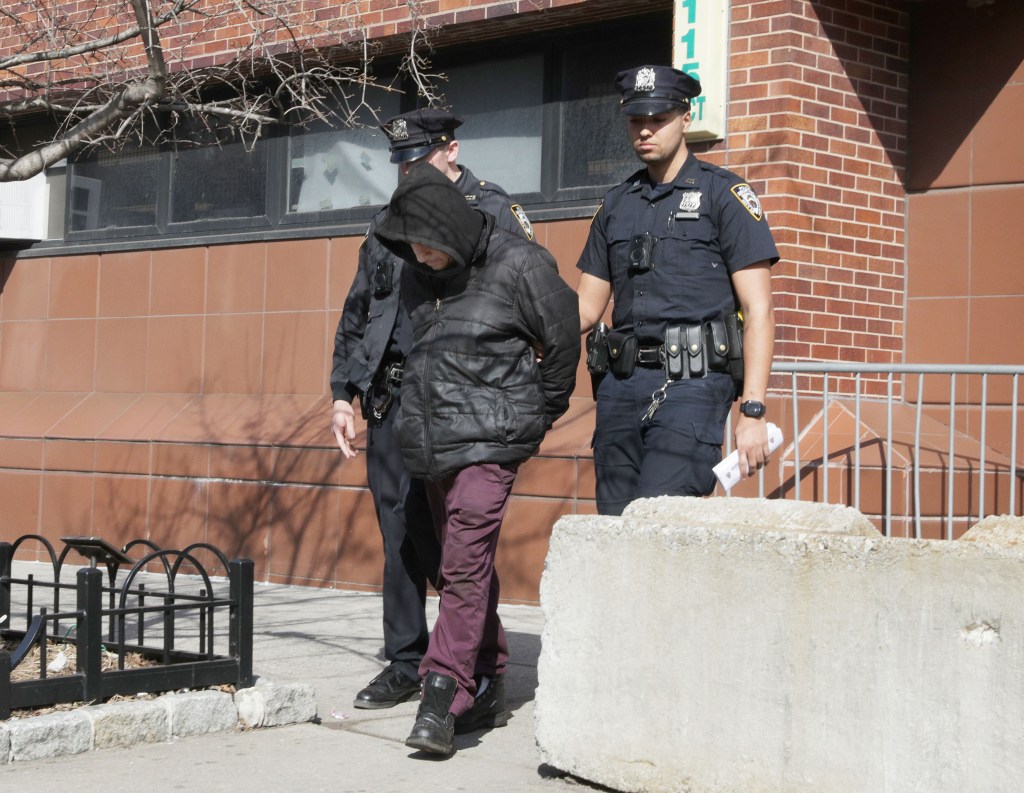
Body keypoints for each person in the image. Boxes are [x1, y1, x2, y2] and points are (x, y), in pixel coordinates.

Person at [330, 109, 534, 710]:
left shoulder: (492, 212)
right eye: (399, 163)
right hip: (393, 399)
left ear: (451, 150)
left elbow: (526, 306)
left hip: (459, 403)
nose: (407, 172)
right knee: (399, 535)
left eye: (417, 160)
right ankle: (406, 660)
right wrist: (344, 394)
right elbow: (359, 310)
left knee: (459, 540)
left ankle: (474, 666)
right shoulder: (387, 222)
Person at [373, 165, 579, 756]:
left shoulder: (520, 264)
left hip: (492, 441)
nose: (420, 254)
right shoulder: (417, 276)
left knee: (463, 562)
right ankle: (486, 674)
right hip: (433, 444)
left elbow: (563, 338)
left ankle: (442, 693)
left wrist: (535, 415)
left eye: (429, 242)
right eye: (409, 244)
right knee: (459, 563)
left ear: (452, 227)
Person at [576, 65, 779, 516]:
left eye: (658, 118)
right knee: (613, 527)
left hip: (694, 386)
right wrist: (522, 335)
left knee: (659, 521)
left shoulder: (725, 195)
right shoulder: (615, 204)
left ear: (686, 118)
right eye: (635, 120)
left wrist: (753, 411)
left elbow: (758, 309)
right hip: (620, 388)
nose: (645, 129)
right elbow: (586, 309)